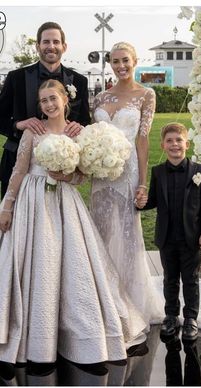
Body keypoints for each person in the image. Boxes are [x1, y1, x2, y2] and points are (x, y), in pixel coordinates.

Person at [0, 79, 147, 365]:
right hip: (32, 200)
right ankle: (31, 333)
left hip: (65, 203)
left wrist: (70, 177)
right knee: (35, 261)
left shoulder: (77, 133)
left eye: (53, 98)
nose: (49, 105)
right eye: (43, 101)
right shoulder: (34, 132)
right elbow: (19, 171)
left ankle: (72, 334)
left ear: (65, 100)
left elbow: (82, 175)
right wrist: (7, 206)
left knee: (71, 262)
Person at [91, 41, 163, 329]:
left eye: (126, 61)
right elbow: (92, 136)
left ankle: (132, 300)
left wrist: (143, 183)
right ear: (110, 64)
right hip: (100, 175)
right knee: (101, 233)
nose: (121, 66)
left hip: (128, 170)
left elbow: (142, 140)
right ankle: (105, 299)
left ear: (135, 61)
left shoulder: (146, 94)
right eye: (115, 61)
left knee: (128, 235)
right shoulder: (99, 98)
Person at [136, 122, 201, 341]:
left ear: (186, 144)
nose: (174, 144)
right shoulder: (158, 172)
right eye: (169, 141)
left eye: (178, 140)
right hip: (167, 236)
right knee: (170, 278)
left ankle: (190, 318)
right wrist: (141, 202)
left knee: (190, 279)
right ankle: (171, 316)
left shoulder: (199, 171)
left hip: (191, 237)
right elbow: (153, 200)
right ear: (162, 145)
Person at [0, 21, 91, 199]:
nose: (51, 46)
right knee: (12, 221)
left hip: (60, 167)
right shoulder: (16, 78)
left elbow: (85, 120)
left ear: (64, 47)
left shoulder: (79, 81)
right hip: (16, 160)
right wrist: (19, 124)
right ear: (38, 46)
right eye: (46, 42)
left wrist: (79, 127)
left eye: (56, 42)